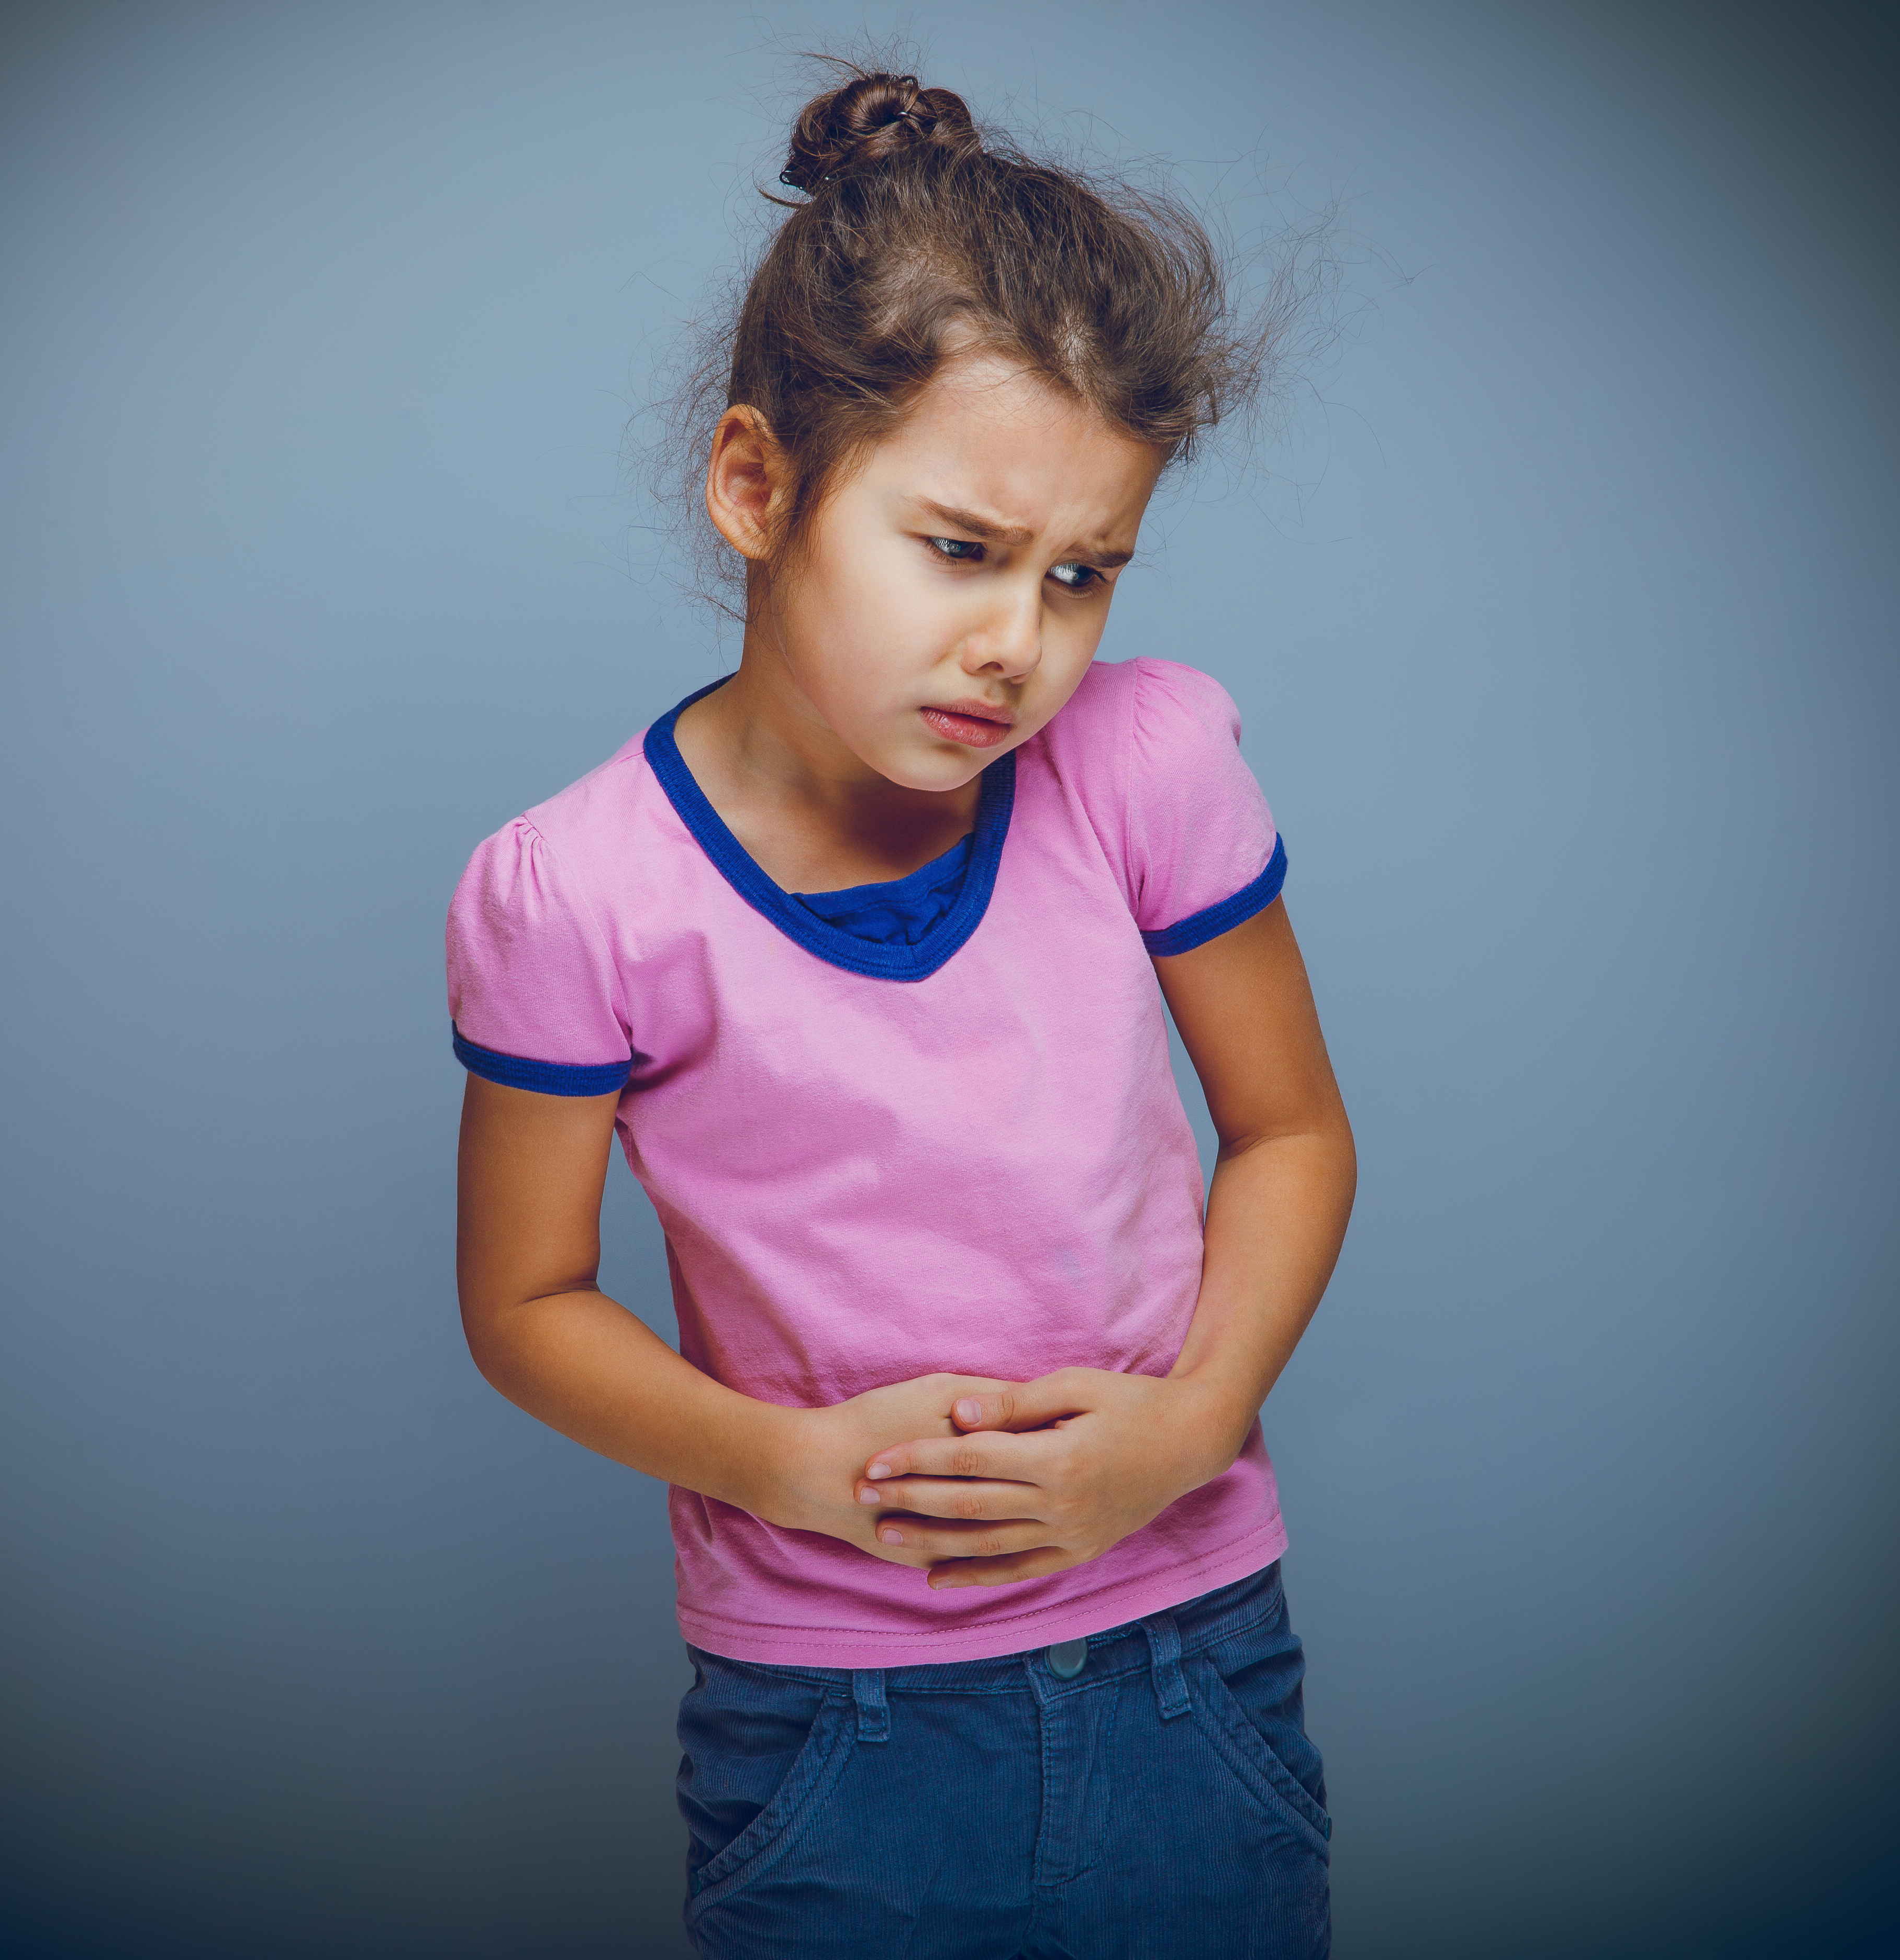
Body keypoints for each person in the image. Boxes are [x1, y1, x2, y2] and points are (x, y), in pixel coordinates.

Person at [447, 65, 1354, 1959]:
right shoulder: (582, 892)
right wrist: (795, 1470)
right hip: (829, 1721)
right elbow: (525, 1306)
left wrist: (1188, 1430)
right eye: (961, 549)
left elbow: (1292, 1133)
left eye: (1081, 573)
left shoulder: (1144, 766)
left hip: (1189, 1662)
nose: (1020, 639)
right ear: (758, 484)